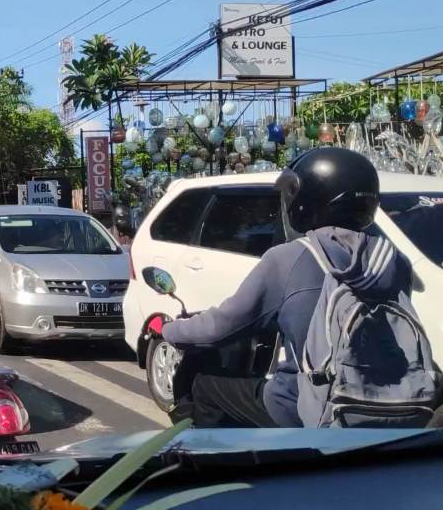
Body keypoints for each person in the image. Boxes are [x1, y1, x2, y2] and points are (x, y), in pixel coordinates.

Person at [161, 147, 407, 427]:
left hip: (306, 406)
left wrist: (169, 329)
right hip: (396, 402)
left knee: (205, 387)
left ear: (306, 200)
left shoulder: (292, 257)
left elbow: (218, 327)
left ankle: (219, 465)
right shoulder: (392, 259)